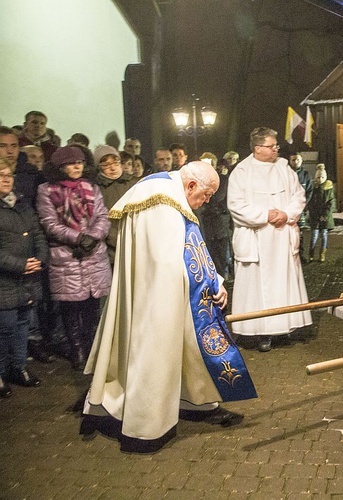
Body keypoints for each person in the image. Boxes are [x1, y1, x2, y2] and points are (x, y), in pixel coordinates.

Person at [81, 161, 257, 453]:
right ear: (190, 185)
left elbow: (192, 247)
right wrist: (210, 285)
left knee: (183, 347)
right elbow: (169, 261)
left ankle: (190, 401)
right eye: (207, 193)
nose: (208, 200)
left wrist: (216, 280)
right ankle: (146, 424)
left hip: (167, 291)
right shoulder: (161, 202)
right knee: (157, 351)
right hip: (160, 296)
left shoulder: (165, 191)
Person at [227, 127, 311, 352]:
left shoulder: (284, 168)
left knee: (283, 283)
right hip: (256, 238)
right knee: (257, 287)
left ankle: (285, 327)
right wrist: (266, 215)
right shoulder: (242, 172)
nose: (276, 149)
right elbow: (236, 206)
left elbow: (298, 196)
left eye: (276, 146)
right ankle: (260, 331)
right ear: (257, 148)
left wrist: (286, 214)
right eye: (271, 146)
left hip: (282, 235)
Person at [36, 146, 112, 371]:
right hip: (66, 255)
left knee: (91, 305)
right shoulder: (46, 190)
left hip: (93, 254)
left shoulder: (92, 188)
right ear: (60, 167)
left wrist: (92, 238)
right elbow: (49, 223)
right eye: (71, 163)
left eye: (79, 162)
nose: (77, 166)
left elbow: (102, 217)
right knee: (70, 308)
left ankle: (91, 348)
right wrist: (78, 238)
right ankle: (77, 350)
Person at [0, 159, 49, 396]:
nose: (6, 179)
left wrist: (39, 258)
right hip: (5, 281)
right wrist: (20, 264)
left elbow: (38, 234)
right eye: (1, 175)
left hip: (27, 280)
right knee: (4, 328)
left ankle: (19, 367)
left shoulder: (22, 204)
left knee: (22, 325)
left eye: (9, 175)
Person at [93, 145, 136, 264]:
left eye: (115, 162)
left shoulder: (133, 183)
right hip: (112, 249)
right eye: (106, 165)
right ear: (99, 168)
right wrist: (116, 240)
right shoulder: (97, 188)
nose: (112, 168)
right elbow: (100, 218)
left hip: (136, 242)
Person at [197, 157, 232, 280]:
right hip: (204, 227)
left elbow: (219, 198)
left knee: (219, 262)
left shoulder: (222, 180)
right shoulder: (197, 182)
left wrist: (207, 206)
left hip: (219, 229)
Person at [307, 164, 336, 262]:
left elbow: (331, 203)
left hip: (325, 217)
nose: (320, 179)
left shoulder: (329, 188)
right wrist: (315, 214)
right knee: (314, 235)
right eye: (318, 177)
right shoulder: (313, 187)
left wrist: (324, 215)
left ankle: (322, 254)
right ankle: (311, 253)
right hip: (315, 216)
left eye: (322, 177)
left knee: (324, 234)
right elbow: (310, 203)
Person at [289, 153, 313, 262]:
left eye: (297, 159)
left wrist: (303, 204)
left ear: (301, 160)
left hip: (300, 210)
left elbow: (309, 191)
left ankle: (300, 254)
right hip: (287, 209)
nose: (295, 162)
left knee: (300, 233)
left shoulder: (306, 175)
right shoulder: (286, 174)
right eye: (293, 160)